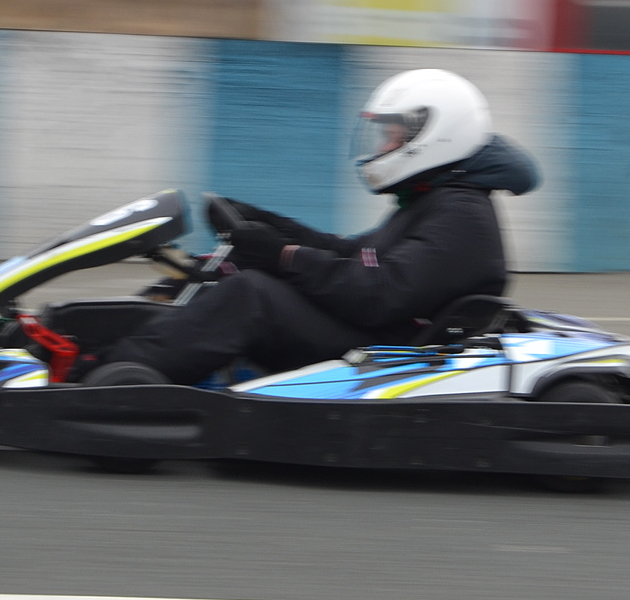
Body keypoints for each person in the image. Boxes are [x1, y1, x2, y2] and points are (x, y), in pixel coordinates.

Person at [87, 68, 539, 386]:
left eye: (393, 136)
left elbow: (379, 294)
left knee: (251, 295)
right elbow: (351, 253)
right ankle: (112, 355)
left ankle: (116, 381)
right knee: (224, 271)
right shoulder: (435, 200)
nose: (384, 146)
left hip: (388, 351)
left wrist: (283, 256)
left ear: (434, 135)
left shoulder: (461, 216)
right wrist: (268, 226)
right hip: (379, 331)